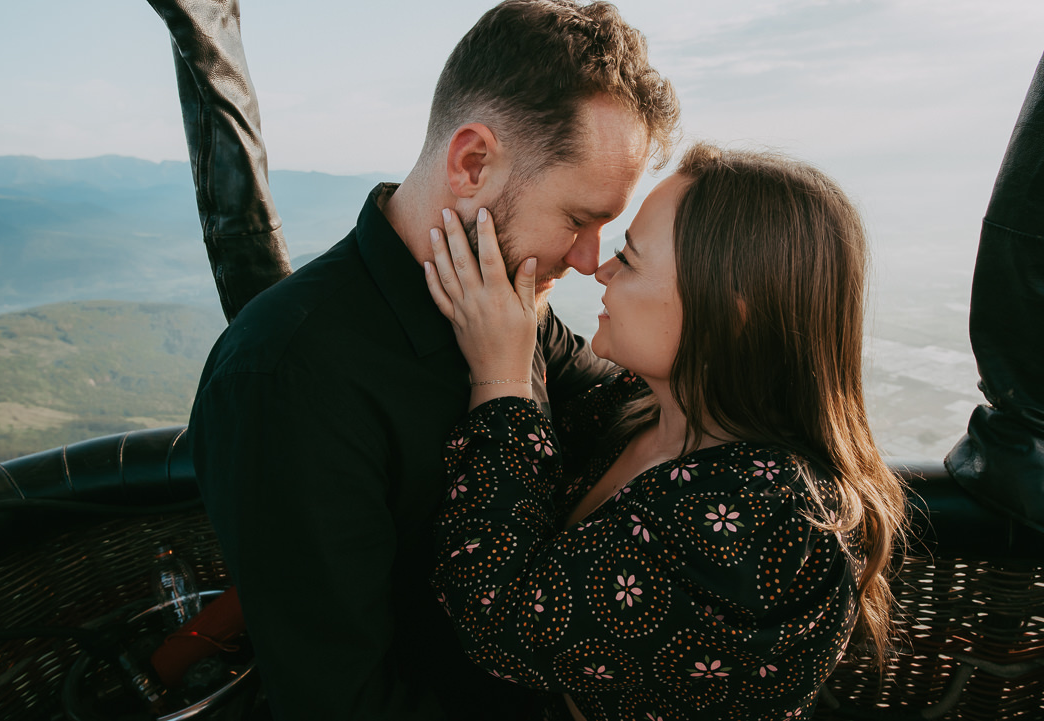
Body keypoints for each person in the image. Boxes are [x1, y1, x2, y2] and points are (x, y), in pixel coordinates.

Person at [186, 1, 679, 719]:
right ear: (472, 161)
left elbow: (627, 405)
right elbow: (343, 702)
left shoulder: (509, 304)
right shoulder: (288, 377)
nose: (586, 259)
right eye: (578, 219)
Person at [425, 143, 909, 720]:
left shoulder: (763, 519)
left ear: (728, 313)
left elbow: (498, 619)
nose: (599, 268)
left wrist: (498, 378)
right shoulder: (648, 407)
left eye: (628, 258)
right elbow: (549, 347)